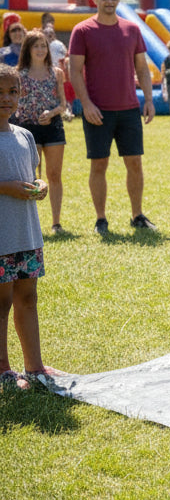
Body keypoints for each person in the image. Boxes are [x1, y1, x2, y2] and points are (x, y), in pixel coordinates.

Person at [68, 0, 157, 234]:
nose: (109, 2)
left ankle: (137, 215)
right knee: (99, 165)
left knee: (135, 163)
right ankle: (100, 219)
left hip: (129, 109)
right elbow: (74, 71)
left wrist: (149, 99)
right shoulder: (82, 31)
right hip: (97, 111)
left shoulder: (132, 29)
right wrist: (86, 104)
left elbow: (142, 68)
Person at [0, 64, 66, 391]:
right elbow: (10, 182)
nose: (6, 99)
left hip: (27, 235)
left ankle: (34, 367)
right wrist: (5, 187)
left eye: (12, 92)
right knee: (2, 303)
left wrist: (38, 184)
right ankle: (3, 371)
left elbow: (33, 173)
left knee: (28, 298)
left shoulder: (25, 135)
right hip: (2, 239)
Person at [13, 33, 67, 234]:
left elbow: (63, 103)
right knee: (31, 177)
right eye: (36, 46)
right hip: (27, 129)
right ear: (28, 48)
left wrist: (51, 113)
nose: (40, 50)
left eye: (43, 45)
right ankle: (30, 224)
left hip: (52, 128)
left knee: (54, 175)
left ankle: (56, 222)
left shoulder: (56, 73)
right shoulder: (18, 74)